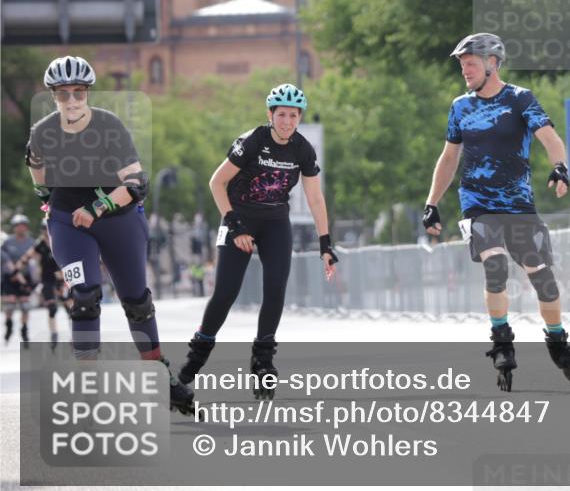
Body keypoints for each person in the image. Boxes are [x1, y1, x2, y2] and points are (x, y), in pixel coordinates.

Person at [422, 33, 570, 391]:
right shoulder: (460, 107)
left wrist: (560, 166)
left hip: (518, 205)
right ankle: (502, 341)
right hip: (477, 204)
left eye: (470, 63)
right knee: (495, 264)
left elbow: (550, 138)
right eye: (461, 65)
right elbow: (449, 158)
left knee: (543, 278)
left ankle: (559, 346)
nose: (465, 70)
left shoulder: (520, 99)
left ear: (492, 63)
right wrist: (431, 203)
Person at [24, 55, 194, 413]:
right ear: (53, 95)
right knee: (84, 295)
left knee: (137, 301)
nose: (71, 100)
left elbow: (136, 183)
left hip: (118, 216)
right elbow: (35, 163)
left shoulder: (108, 126)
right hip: (68, 221)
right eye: (62, 93)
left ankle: (158, 372)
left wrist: (97, 208)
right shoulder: (43, 130)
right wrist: (45, 198)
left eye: (78, 92)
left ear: (88, 92)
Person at [177, 83, 337, 400]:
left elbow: (315, 198)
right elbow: (217, 182)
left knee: (276, 288)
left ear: (299, 117)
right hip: (239, 218)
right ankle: (198, 352)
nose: (287, 121)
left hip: (276, 222)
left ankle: (263, 361)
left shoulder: (303, 149)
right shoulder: (253, 141)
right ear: (270, 114)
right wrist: (234, 224)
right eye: (281, 115)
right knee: (225, 293)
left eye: (293, 115)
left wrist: (325, 244)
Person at [14, 219, 71, 350]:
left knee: (70, 308)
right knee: (52, 309)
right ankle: (54, 335)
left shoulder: (61, 240)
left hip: (62, 280)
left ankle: (74, 336)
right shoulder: (39, 245)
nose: (47, 231)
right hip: (47, 280)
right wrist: (16, 272)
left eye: (48, 228)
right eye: (45, 229)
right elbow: (25, 259)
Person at [2, 215, 35, 346]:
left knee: (25, 306)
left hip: (25, 277)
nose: (20, 227)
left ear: (26, 227)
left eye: (22, 225)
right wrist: (11, 271)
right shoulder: (7, 242)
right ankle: (9, 325)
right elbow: (3, 259)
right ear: (14, 227)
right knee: (10, 305)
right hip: (10, 277)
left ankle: (24, 330)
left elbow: (34, 260)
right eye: (17, 225)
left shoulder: (31, 242)